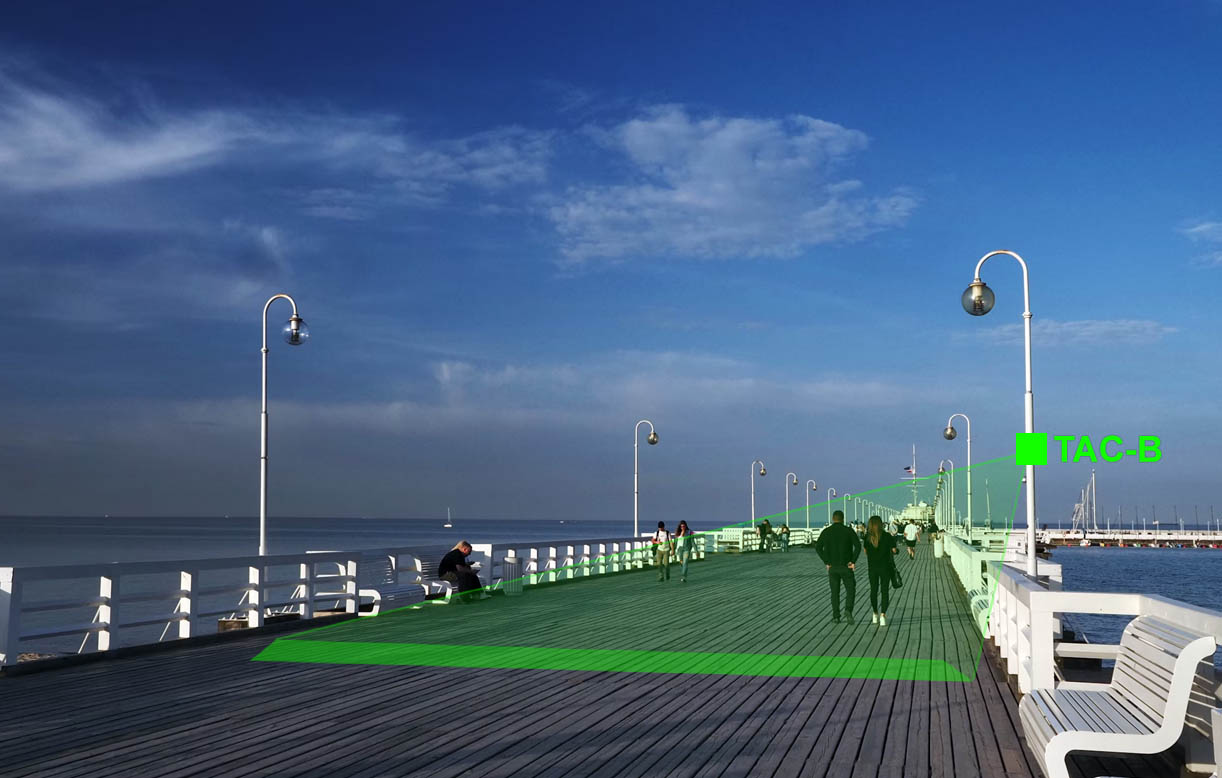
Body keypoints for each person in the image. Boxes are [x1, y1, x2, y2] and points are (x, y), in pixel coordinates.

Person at [815, 509, 861, 624]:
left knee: (835, 592)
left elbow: (818, 547)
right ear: (843, 519)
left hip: (833, 567)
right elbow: (858, 546)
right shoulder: (848, 531)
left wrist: (826, 561)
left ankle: (836, 616)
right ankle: (848, 610)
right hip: (846, 566)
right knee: (850, 589)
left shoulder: (827, 531)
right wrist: (853, 561)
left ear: (833, 519)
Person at [863, 515, 898, 626]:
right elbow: (894, 550)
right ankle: (883, 615)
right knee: (884, 591)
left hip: (872, 568)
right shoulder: (887, 536)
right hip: (885, 567)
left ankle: (875, 613)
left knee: (873, 590)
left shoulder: (867, 537)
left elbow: (865, 551)